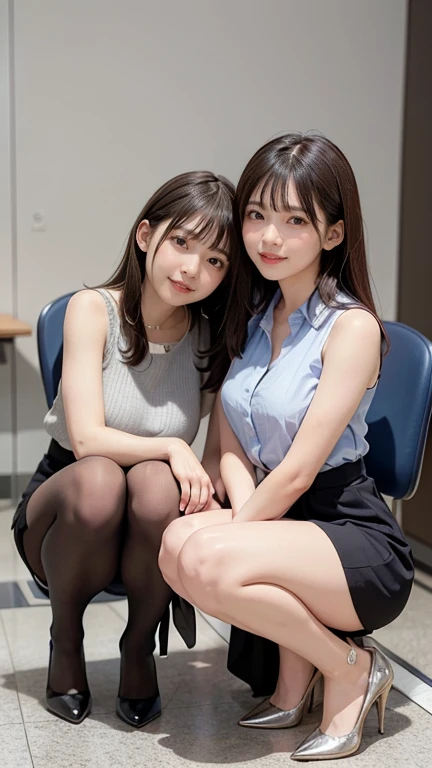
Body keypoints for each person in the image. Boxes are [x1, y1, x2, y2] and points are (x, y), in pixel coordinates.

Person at [158, 135, 415, 761]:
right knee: (175, 544)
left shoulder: (351, 327)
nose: (268, 237)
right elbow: (230, 444)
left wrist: (232, 532)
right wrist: (236, 518)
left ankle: (350, 668)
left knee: (208, 556)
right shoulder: (248, 317)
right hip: (281, 511)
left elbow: (299, 471)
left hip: (347, 530)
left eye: (295, 220)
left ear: (332, 234)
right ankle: (293, 683)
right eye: (257, 215)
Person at [11, 170, 250, 727]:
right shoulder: (92, 309)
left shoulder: (210, 337)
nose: (194, 269)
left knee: (151, 481)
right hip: (68, 511)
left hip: (149, 514)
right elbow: (88, 436)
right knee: (100, 476)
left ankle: (138, 646)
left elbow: (216, 446)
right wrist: (170, 444)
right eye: (182, 243)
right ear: (146, 236)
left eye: (216, 260)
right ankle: (65, 639)